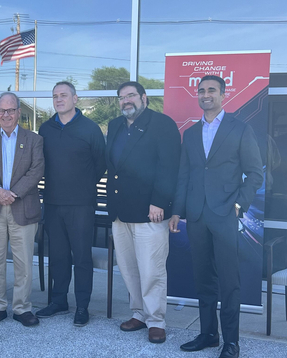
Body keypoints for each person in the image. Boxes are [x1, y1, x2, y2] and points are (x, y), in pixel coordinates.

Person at [169, 75, 263, 358]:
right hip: (196, 216)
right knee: (203, 278)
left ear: (223, 94)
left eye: (211, 90)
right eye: (201, 90)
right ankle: (208, 334)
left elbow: (255, 174)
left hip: (225, 215)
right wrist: (177, 211)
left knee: (229, 280)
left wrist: (238, 205)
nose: (205, 94)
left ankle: (231, 342)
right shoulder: (192, 133)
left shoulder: (241, 129)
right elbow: (184, 175)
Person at [105, 81, 181, 343]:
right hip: (119, 210)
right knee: (129, 268)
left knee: (152, 270)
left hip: (150, 212)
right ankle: (138, 313)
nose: (126, 101)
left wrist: (159, 201)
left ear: (144, 98)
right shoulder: (115, 125)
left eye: (131, 96)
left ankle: (156, 320)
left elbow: (169, 167)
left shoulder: (162, 124)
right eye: (121, 97)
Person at [36, 81, 106, 327]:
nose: (59, 100)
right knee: (58, 256)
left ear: (75, 99)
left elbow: (100, 164)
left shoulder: (90, 129)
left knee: (82, 258)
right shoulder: (46, 129)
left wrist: (83, 186)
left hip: (82, 205)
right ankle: (59, 301)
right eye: (55, 96)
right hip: (53, 203)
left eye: (63, 95)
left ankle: (82, 306)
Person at [0, 92, 44, 327]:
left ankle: (22, 308)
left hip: (22, 207)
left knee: (23, 261)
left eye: (10, 110)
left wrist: (12, 193)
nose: (6, 115)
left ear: (18, 112)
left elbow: (36, 170)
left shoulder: (34, 139)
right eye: (2, 111)